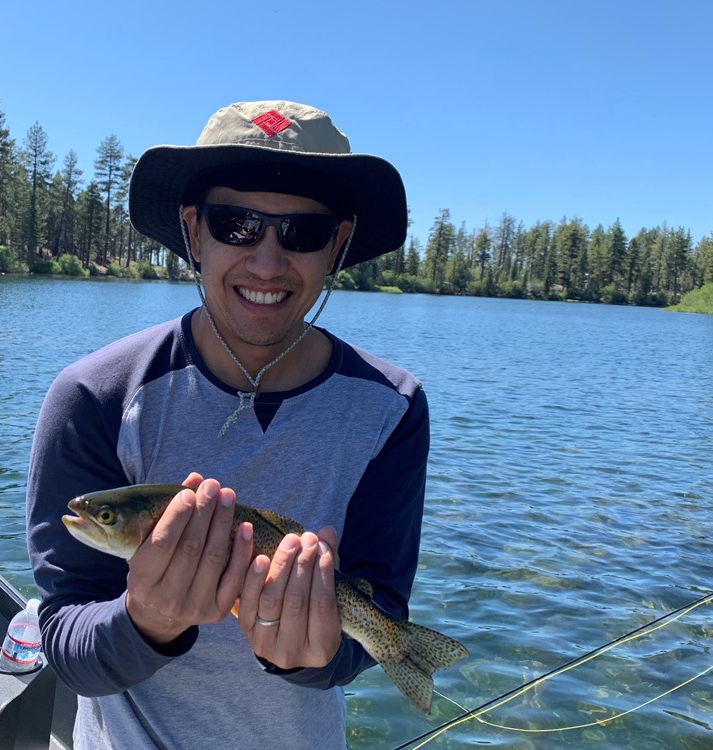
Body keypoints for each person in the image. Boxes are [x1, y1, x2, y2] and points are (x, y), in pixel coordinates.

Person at [26, 100, 427, 749]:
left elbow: (379, 612)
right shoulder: (93, 395)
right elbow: (66, 646)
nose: (266, 264)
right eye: (235, 224)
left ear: (338, 243)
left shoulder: (393, 407)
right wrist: (145, 621)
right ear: (192, 230)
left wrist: (315, 654)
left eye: (301, 232)